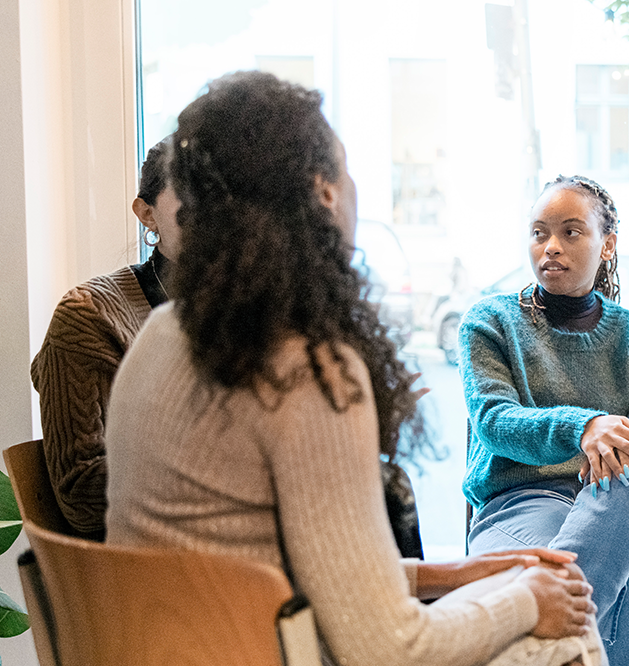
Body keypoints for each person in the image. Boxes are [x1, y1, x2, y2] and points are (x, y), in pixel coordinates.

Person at [105, 71, 601, 666]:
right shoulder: (305, 369)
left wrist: (454, 574)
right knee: (566, 624)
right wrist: (529, 603)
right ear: (326, 194)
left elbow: (281, 562)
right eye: (346, 168)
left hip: (178, 644)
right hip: (273, 649)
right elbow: (386, 650)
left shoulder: (161, 333)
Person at [461, 175, 629, 666]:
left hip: (621, 507)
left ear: (608, 245)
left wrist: (609, 443)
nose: (550, 247)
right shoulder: (490, 322)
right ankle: (554, 648)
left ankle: (539, 651)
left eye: (571, 232)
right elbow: (495, 421)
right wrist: (585, 429)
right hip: (519, 509)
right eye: (539, 233)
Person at [30, 137, 178, 539]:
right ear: (147, 214)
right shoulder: (90, 317)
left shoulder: (263, 311)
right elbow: (83, 495)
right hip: (151, 580)